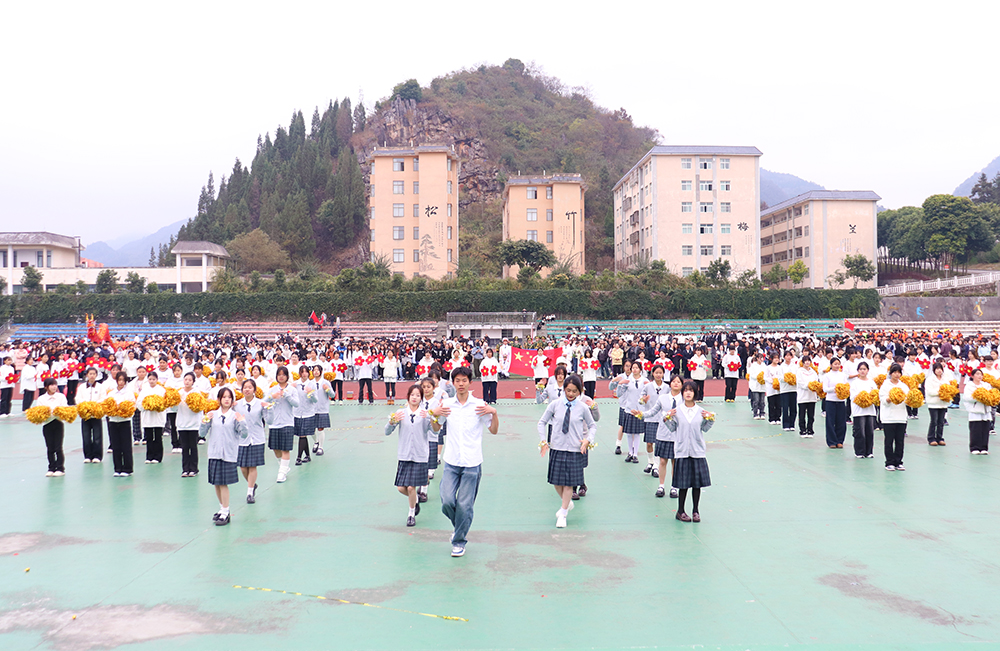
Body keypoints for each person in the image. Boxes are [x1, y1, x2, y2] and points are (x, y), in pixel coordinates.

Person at [431, 366, 499, 558]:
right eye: (457, 380)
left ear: (470, 382)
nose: (460, 384)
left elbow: (493, 430)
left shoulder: (479, 405)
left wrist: (494, 413)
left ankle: (459, 541)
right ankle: (460, 528)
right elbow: (436, 428)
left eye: (464, 380)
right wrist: (435, 414)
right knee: (446, 501)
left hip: (472, 462)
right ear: (452, 383)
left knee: (464, 505)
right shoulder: (447, 404)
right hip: (452, 461)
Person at [538, 374, 596, 528]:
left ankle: (563, 514)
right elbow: (541, 422)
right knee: (557, 483)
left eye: (574, 391)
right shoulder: (555, 405)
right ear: (563, 389)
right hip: (557, 447)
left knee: (569, 484)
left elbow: (593, 426)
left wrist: (587, 440)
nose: (571, 394)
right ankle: (567, 502)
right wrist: (544, 441)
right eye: (568, 390)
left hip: (574, 449)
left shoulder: (582, 407)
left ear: (579, 392)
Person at [663, 380, 714, 522]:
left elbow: (704, 428)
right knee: (683, 484)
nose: (688, 393)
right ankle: (680, 511)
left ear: (695, 393)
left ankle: (695, 511)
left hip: (697, 451)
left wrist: (710, 419)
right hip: (682, 451)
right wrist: (666, 418)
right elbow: (672, 428)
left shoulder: (700, 411)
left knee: (696, 484)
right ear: (682, 393)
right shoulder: (677, 411)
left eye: (691, 390)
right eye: (685, 390)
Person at [199, 387, 248, 526]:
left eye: (229, 397)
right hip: (214, 453)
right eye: (224, 397)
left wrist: (242, 422)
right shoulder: (213, 415)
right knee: (216, 483)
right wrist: (204, 421)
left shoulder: (235, 416)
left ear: (232, 400)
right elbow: (202, 433)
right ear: (219, 399)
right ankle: (222, 508)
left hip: (228, 453)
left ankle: (226, 511)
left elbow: (244, 434)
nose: (226, 399)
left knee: (224, 483)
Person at [386, 384, 433, 527]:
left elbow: (435, 431)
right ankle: (416, 500)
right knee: (401, 488)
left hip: (419, 455)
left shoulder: (425, 414)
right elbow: (387, 431)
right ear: (408, 396)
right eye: (412, 395)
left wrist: (432, 418)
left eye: (418, 395)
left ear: (421, 398)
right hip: (405, 455)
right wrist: (391, 422)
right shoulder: (401, 413)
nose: (415, 397)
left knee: (412, 488)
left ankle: (411, 514)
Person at [637, 373, 683, 499]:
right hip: (663, 433)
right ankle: (661, 486)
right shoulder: (663, 398)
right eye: (674, 381)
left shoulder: (684, 399)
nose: (676, 383)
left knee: (675, 462)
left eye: (678, 382)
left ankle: (674, 487)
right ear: (670, 383)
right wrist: (641, 414)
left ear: (682, 385)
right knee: (662, 461)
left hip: (678, 435)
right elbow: (653, 411)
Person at [264, 366, 299, 483]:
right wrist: (272, 397)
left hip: (287, 422)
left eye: (284, 374)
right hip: (274, 423)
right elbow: (264, 401)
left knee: (285, 449)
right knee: (275, 448)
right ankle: (283, 466)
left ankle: (281, 473)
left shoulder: (292, 390)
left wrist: (287, 395)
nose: (281, 376)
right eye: (279, 374)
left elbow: (296, 403)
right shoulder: (272, 389)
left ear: (287, 376)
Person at [237, 379, 267, 503]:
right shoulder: (237, 404)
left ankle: (250, 493)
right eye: (245, 387)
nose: (247, 389)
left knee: (253, 466)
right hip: (242, 439)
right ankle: (252, 484)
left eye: (250, 387)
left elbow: (269, 420)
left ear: (254, 390)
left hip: (257, 438)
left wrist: (269, 409)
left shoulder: (261, 404)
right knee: (243, 467)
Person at [614, 361, 649, 464]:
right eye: (633, 368)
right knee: (629, 433)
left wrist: (645, 399)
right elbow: (619, 394)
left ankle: (635, 454)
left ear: (640, 369)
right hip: (629, 409)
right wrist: (620, 384)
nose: (634, 369)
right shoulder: (628, 380)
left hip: (639, 410)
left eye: (636, 368)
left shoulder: (644, 381)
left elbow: (649, 393)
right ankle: (630, 452)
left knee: (637, 433)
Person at [878, 363, 908, 471]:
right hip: (888, 418)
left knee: (900, 441)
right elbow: (882, 399)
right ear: (890, 373)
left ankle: (899, 462)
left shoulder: (904, 386)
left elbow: (907, 399)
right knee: (889, 440)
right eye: (894, 372)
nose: (897, 374)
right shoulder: (885, 385)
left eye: (899, 372)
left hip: (901, 417)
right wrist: (891, 398)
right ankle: (889, 462)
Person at [640, 364, 668, 475]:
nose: (658, 375)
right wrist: (643, 400)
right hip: (650, 418)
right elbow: (641, 400)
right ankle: (650, 462)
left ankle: (656, 466)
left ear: (663, 374)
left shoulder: (667, 388)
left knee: (658, 443)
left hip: (662, 420)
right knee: (649, 443)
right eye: (656, 373)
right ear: (653, 373)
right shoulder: (647, 387)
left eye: (660, 373)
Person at [36, 377, 68, 477]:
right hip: (47, 424)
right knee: (50, 447)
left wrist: (54, 412)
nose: (54, 387)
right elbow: (39, 411)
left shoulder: (61, 396)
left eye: (55, 384)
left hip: (58, 422)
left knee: (58, 447)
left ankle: (60, 468)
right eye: (51, 385)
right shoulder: (41, 399)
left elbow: (64, 408)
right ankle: (51, 467)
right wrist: (52, 413)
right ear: (46, 387)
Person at [106, 372, 136, 477]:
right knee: (116, 446)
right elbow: (107, 406)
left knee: (126, 446)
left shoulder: (129, 393)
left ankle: (128, 469)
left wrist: (124, 412)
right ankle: (117, 468)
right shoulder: (111, 393)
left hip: (125, 421)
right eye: (119, 380)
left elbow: (132, 406)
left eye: (123, 380)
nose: (121, 382)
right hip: (113, 421)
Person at [75, 366, 105, 463]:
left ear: (96, 375)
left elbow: (103, 398)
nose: (92, 376)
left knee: (97, 436)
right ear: (87, 375)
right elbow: (78, 398)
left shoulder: (100, 386)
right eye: (90, 374)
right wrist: (86, 405)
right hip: (85, 414)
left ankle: (97, 455)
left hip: (96, 414)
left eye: (94, 374)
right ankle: (88, 455)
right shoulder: (81, 387)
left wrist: (95, 405)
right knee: (86, 435)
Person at [176, 372, 202, 477]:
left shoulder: (196, 393)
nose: (187, 382)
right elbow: (173, 408)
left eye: (190, 380)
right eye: (185, 379)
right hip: (182, 424)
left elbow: (200, 408)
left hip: (193, 424)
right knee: (185, 447)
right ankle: (185, 469)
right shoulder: (179, 393)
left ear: (193, 382)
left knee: (193, 446)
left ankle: (194, 469)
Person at [138, 371, 167, 464]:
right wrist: (146, 407)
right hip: (147, 417)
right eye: (150, 379)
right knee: (149, 437)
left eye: (153, 379)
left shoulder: (162, 390)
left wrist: (157, 406)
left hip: (158, 417)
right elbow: (139, 403)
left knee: (158, 437)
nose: (152, 381)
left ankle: (158, 457)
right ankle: (149, 456)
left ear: (157, 380)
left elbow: (165, 403)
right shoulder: (144, 390)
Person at [849, 361, 877, 457]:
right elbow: (853, 396)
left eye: (864, 369)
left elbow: (875, 395)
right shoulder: (854, 383)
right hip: (858, 411)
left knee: (869, 431)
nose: (862, 371)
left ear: (868, 370)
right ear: (858, 371)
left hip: (870, 411)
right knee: (860, 432)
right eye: (860, 369)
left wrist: (869, 399)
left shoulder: (871, 382)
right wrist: (862, 399)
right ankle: (860, 451)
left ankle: (869, 451)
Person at [963, 368, 992, 455]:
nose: (980, 376)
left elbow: (991, 395)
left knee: (985, 429)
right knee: (976, 429)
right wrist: (978, 397)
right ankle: (974, 447)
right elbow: (967, 398)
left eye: (981, 374)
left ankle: (984, 447)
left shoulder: (986, 385)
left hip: (986, 411)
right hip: (975, 411)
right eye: (977, 374)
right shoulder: (969, 386)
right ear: (972, 376)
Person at [822, 357, 849, 448]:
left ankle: (840, 440)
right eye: (835, 364)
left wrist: (843, 391)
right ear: (831, 365)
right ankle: (831, 441)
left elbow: (846, 386)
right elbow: (825, 389)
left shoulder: (843, 375)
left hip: (841, 401)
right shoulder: (827, 375)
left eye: (838, 364)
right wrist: (836, 389)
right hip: (831, 401)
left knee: (841, 421)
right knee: (830, 421)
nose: (837, 366)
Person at [924, 362, 949, 446]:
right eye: (937, 369)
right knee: (934, 421)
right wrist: (941, 392)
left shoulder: (945, 379)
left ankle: (939, 438)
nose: (939, 370)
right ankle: (931, 438)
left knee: (941, 421)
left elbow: (948, 389)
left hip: (943, 403)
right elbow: (930, 391)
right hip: (933, 403)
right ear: (934, 370)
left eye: (940, 369)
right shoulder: (930, 379)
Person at [795, 355, 818, 438]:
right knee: (802, 414)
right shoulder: (799, 371)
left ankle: (810, 429)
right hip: (803, 396)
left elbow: (816, 381)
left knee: (811, 415)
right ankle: (802, 430)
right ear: (803, 362)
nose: (807, 362)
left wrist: (815, 387)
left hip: (812, 396)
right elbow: (800, 383)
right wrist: (808, 385)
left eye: (809, 360)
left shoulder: (813, 372)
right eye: (806, 360)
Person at [778, 350, 799, 432]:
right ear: (784, 357)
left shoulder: (795, 366)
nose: (788, 357)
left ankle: (792, 424)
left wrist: (794, 380)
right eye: (786, 356)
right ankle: (786, 425)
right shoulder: (781, 367)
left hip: (794, 389)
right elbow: (780, 378)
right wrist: (787, 379)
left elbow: (798, 376)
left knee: (793, 407)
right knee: (785, 408)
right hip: (784, 390)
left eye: (790, 355)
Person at [747, 352, 767, 420]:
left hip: (762, 385)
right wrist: (758, 377)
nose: (762, 359)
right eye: (760, 358)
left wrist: (763, 378)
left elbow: (766, 374)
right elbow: (751, 375)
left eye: (762, 358)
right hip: (755, 385)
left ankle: (762, 412)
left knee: (762, 401)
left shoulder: (764, 366)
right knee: (756, 400)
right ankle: (755, 413)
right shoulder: (753, 366)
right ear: (757, 358)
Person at [764, 354, 781, 425]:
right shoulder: (768, 368)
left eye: (777, 358)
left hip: (779, 388)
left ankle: (778, 418)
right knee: (771, 403)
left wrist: (778, 381)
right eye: (775, 358)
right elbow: (765, 377)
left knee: (778, 404)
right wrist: (772, 381)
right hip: (770, 388)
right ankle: (772, 418)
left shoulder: (780, 367)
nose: (776, 360)